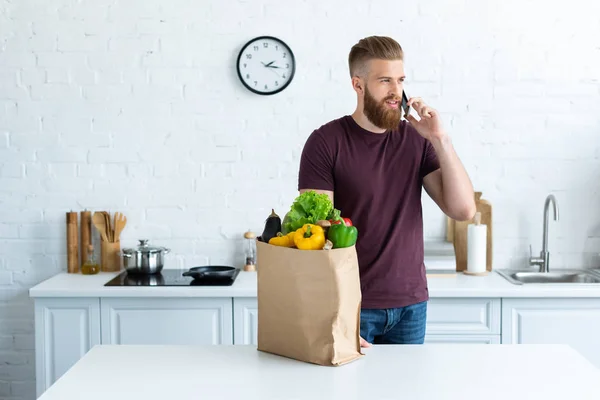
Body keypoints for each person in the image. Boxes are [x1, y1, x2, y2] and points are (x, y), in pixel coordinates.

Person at [297, 36, 476, 346]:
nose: (396, 91)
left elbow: (463, 210)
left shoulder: (417, 140)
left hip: (410, 304)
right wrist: (332, 312)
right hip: (351, 305)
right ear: (358, 84)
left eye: (400, 80)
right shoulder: (325, 143)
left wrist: (440, 139)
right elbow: (314, 235)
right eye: (385, 81)